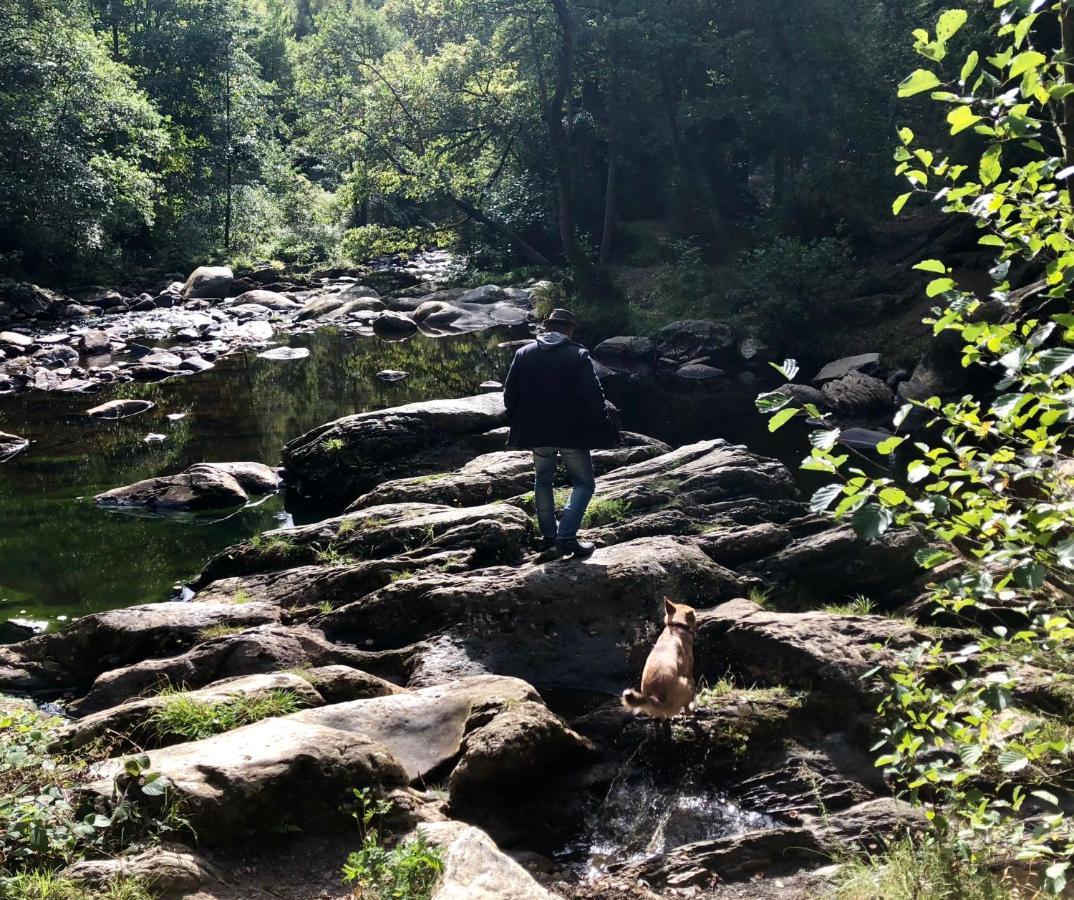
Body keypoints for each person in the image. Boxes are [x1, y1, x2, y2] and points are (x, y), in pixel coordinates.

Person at [503, 308, 621, 557]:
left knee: (543, 480)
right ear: (569, 330)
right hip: (572, 432)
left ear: (547, 328)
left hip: (536, 432)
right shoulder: (578, 355)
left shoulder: (524, 353)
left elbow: (509, 394)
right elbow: (594, 396)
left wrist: (519, 420)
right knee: (584, 484)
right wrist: (599, 424)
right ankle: (566, 537)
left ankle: (549, 536)